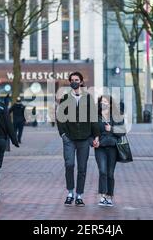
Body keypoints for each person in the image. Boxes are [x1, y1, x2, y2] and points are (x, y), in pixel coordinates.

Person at [57, 72, 100, 207]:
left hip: (84, 139)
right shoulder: (65, 98)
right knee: (69, 165)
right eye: (72, 80)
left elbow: (93, 119)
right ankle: (70, 193)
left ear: (81, 82)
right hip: (69, 138)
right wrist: (63, 134)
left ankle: (79, 195)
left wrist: (96, 136)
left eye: (76, 80)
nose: (74, 82)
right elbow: (60, 118)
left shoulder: (88, 98)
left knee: (82, 168)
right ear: (70, 82)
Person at [94, 95, 125, 207]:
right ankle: (102, 196)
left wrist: (111, 129)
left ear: (111, 104)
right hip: (100, 147)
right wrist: (94, 140)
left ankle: (109, 196)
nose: (104, 103)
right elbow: (90, 131)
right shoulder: (95, 116)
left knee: (110, 173)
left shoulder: (117, 116)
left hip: (113, 147)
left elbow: (123, 130)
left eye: (106, 101)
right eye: (102, 101)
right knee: (102, 171)